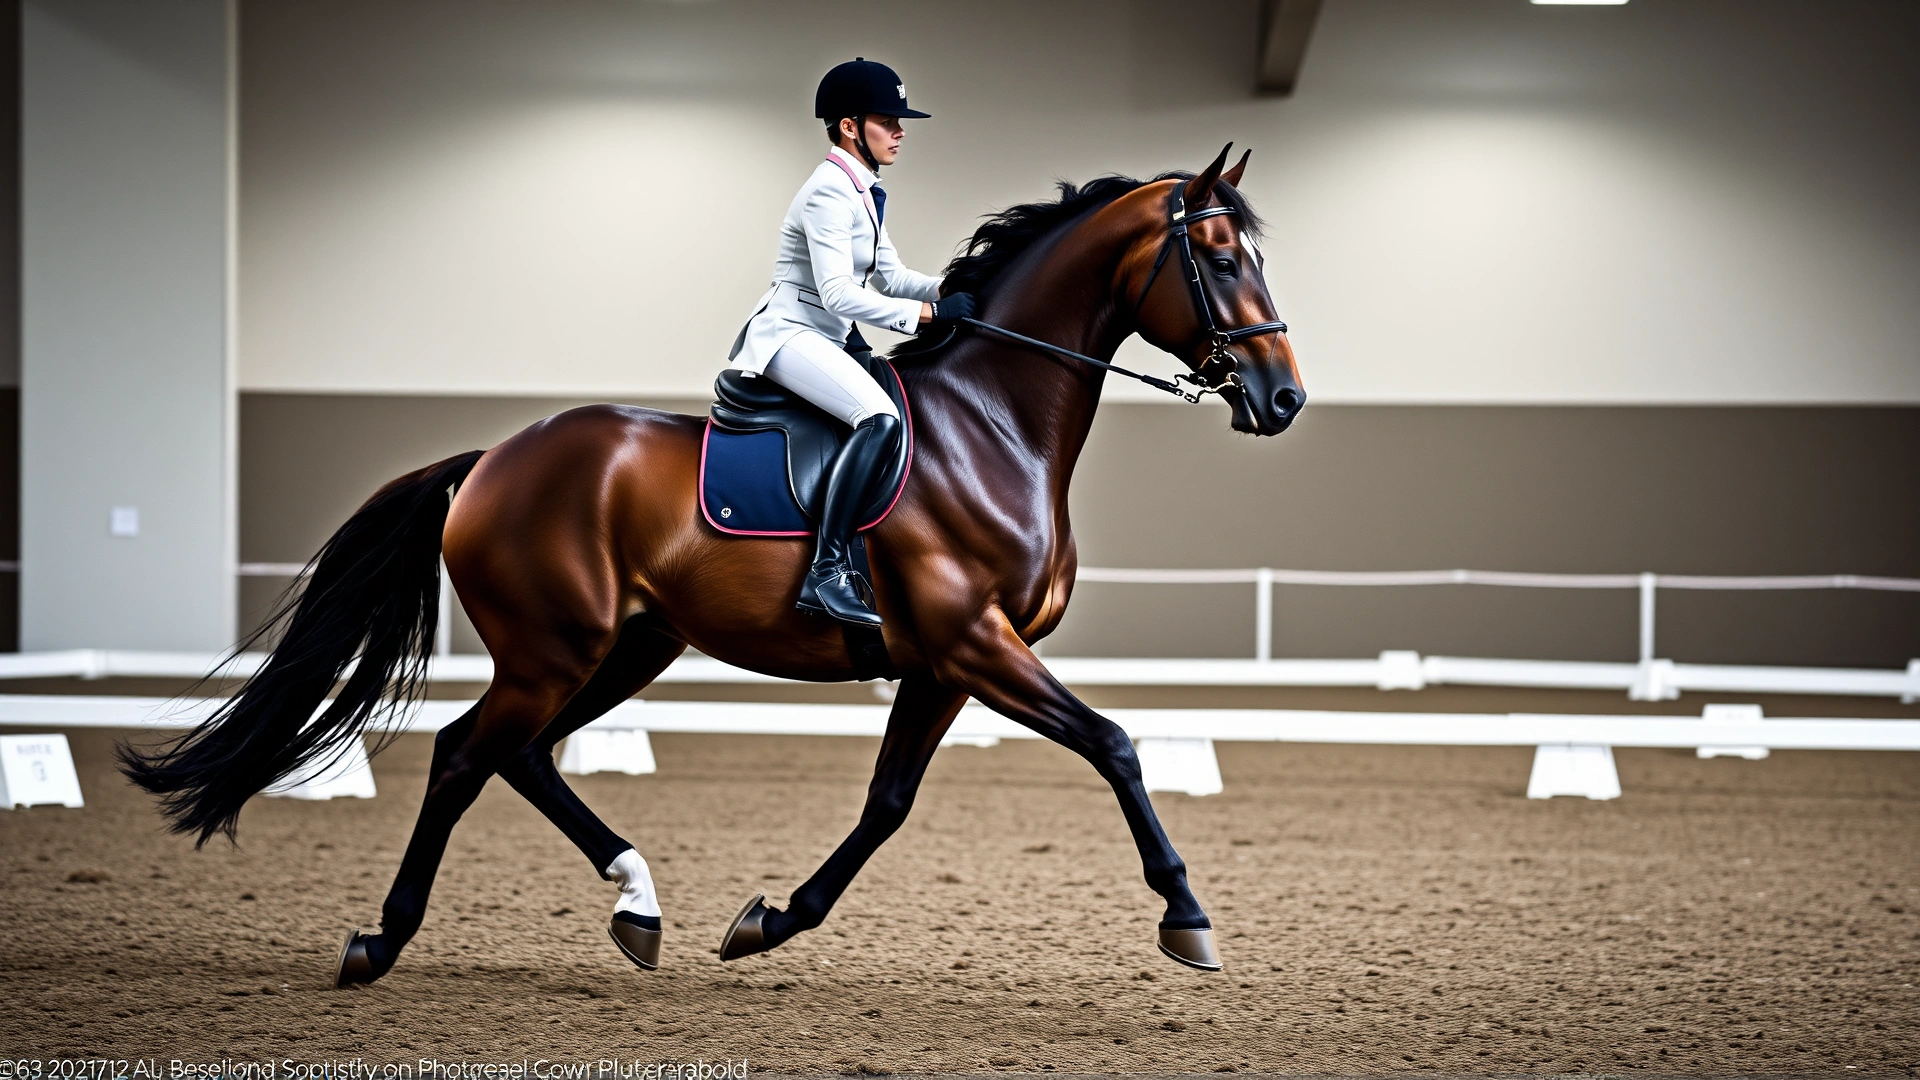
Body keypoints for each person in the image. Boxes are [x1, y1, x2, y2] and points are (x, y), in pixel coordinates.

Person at [728, 58, 976, 628]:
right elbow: (839, 293)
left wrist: (963, 289)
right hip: (790, 334)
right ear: (849, 125)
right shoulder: (827, 193)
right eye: (888, 119)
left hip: (827, 336)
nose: (900, 131)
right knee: (879, 418)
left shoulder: (862, 190)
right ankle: (827, 570)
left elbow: (891, 276)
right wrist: (929, 314)